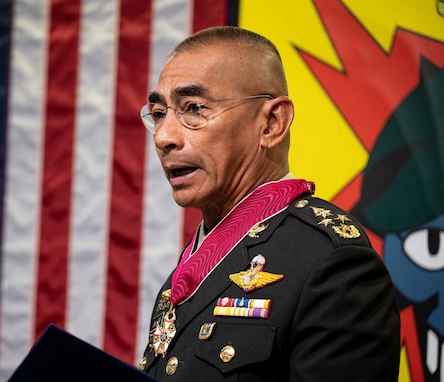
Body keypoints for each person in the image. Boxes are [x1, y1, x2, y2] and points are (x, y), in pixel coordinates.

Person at [137, 26, 400, 381]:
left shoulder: (331, 262)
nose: (165, 136)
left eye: (194, 108)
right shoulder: (188, 273)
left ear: (272, 124)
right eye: (158, 114)